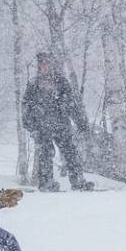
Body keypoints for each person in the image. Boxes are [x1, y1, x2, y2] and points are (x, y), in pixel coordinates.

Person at [22, 52, 93, 191]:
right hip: (42, 127)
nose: (43, 66)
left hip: (61, 125)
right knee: (45, 154)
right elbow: (26, 105)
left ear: (52, 64)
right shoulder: (33, 84)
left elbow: (72, 104)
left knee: (71, 152)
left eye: (46, 63)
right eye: (41, 64)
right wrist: (29, 123)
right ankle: (46, 183)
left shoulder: (61, 82)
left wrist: (81, 123)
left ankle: (78, 181)